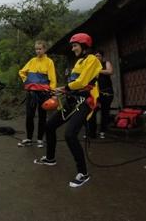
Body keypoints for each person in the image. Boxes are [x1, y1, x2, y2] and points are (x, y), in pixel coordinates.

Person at [34, 33, 101, 188]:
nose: (73, 48)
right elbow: (74, 84)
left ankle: (83, 173)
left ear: (84, 46)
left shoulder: (92, 60)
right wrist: (61, 92)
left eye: (75, 45)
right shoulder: (79, 62)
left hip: (86, 102)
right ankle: (50, 158)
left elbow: (83, 82)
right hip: (73, 100)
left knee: (70, 134)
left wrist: (63, 88)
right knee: (49, 126)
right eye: (72, 46)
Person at [18, 40, 56, 148]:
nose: (38, 51)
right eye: (36, 49)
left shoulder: (49, 62)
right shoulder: (32, 61)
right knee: (29, 116)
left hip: (44, 93)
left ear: (44, 49)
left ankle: (40, 139)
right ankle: (29, 138)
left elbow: (52, 79)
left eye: (40, 49)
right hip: (31, 93)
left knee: (42, 116)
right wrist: (26, 81)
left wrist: (52, 92)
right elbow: (21, 72)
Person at [93, 49, 114, 139]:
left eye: (99, 56)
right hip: (96, 93)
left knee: (105, 112)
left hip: (107, 92)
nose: (97, 57)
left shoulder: (106, 63)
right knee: (92, 111)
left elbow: (110, 71)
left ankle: (102, 131)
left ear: (102, 57)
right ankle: (92, 131)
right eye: (95, 56)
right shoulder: (92, 66)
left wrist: (98, 71)